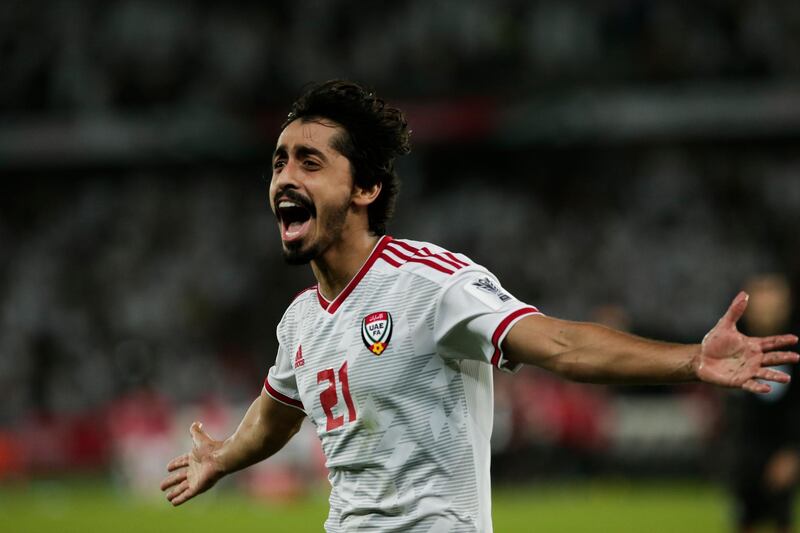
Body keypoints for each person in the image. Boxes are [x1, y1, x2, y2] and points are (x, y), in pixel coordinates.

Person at [160, 80, 799, 532]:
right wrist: (223, 456)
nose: (283, 178)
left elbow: (561, 345)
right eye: (278, 163)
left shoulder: (430, 284)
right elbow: (276, 412)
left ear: (365, 187)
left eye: (309, 161)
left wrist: (691, 360)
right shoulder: (300, 319)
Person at [727, 273, 799, 533]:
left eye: (773, 297)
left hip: (782, 448)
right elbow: (730, 408)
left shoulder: (794, 346)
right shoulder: (732, 344)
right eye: (761, 298)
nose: (767, 307)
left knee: (782, 517)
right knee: (746, 518)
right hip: (744, 453)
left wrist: (793, 451)